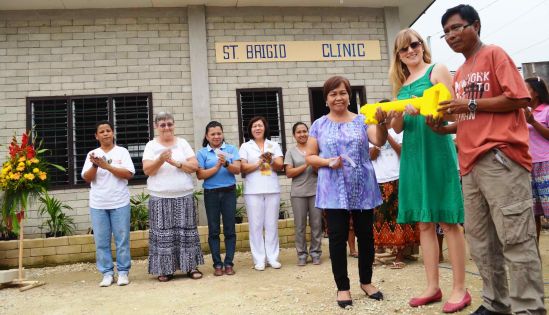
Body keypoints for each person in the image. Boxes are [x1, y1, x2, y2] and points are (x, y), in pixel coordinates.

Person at [438, 5, 546, 314]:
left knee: (516, 238)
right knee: (482, 243)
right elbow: (472, 116)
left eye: (456, 28)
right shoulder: (460, 73)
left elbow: (519, 98)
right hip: (469, 164)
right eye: (446, 32)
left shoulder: (495, 54)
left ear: (476, 25)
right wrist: (443, 127)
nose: (450, 35)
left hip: (500, 158)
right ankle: (495, 303)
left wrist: (468, 102)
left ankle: (529, 308)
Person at [389, 28, 468, 313]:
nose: (410, 50)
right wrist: (395, 114)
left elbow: (452, 111)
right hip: (412, 154)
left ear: (422, 46)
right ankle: (432, 286)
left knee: (448, 221)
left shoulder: (438, 70)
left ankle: (460, 288)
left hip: (436, 150)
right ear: (398, 56)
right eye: (403, 48)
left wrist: (423, 109)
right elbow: (397, 128)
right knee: (423, 223)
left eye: (414, 44)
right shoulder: (401, 85)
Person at [305, 75, 388, 308]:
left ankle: (367, 281)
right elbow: (310, 156)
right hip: (333, 189)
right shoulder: (319, 125)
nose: (338, 97)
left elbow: (378, 141)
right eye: (333, 94)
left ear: (349, 96)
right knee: (338, 238)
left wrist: (382, 123)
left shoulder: (362, 120)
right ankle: (343, 287)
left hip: (363, 186)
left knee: (366, 236)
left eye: (342, 93)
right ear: (326, 99)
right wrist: (326, 161)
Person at [142, 112, 204, 282]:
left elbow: (194, 166)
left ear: (174, 125)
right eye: (162, 125)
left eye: (169, 124)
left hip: (183, 195)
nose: (166, 128)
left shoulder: (182, 143)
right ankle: (165, 269)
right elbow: (148, 170)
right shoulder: (151, 145)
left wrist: (176, 163)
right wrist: (161, 159)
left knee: (187, 233)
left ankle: (190, 266)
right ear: (156, 127)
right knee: (163, 235)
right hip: (160, 197)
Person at [82, 120, 135, 287]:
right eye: (102, 131)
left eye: (108, 130)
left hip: (120, 202)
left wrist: (106, 165)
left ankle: (123, 272)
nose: (105, 134)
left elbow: (128, 174)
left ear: (113, 133)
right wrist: (95, 165)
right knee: (101, 240)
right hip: (98, 204)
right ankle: (106, 273)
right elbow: (87, 178)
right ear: (96, 136)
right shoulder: (92, 154)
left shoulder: (122, 152)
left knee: (122, 239)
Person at [369, 104, 417, 269]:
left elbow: (402, 152)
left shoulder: (399, 131)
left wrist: (387, 135)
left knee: (399, 218)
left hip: (398, 177)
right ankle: (377, 253)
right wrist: (377, 142)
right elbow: (371, 156)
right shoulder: (372, 131)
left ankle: (399, 255)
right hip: (378, 179)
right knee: (378, 218)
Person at [239, 116, 284, 271]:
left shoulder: (273, 145)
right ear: (250, 130)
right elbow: (243, 168)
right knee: (256, 225)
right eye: (254, 126)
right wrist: (258, 163)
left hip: (272, 188)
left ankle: (273, 258)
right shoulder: (245, 146)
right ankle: (259, 259)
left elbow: (280, 166)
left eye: (260, 126)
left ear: (265, 128)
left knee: (271, 224)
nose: (257, 128)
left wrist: (269, 159)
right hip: (253, 190)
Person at [196, 121, 241, 276]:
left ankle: (228, 263)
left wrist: (226, 164)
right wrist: (216, 167)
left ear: (222, 134)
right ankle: (217, 264)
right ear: (207, 136)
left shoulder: (231, 149)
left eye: (219, 133)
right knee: (213, 230)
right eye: (213, 134)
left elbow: (238, 169)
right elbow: (200, 175)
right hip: (211, 194)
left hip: (229, 192)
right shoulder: (202, 153)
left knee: (230, 229)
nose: (216, 136)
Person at [284, 122, 322, 266]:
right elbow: (289, 173)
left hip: (315, 191)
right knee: (299, 225)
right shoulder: (290, 151)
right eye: (299, 132)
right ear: (294, 135)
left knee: (316, 224)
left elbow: (320, 170)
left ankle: (316, 253)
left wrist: (315, 163)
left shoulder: (315, 149)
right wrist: (306, 163)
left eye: (305, 131)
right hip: (298, 193)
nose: (302, 134)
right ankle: (301, 254)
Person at [524, 77, 549, 242]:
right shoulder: (523, 112)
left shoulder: (546, 110)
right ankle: (534, 257)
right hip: (526, 165)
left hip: (545, 164)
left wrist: (533, 122)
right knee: (533, 214)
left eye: (526, 88)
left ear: (536, 92)